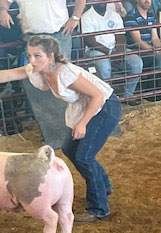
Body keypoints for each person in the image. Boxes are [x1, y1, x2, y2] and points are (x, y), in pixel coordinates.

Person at [0, 35, 121, 222]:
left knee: (84, 156)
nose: (32, 60)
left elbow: (97, 96)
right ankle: (103, 184)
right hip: (85, 107)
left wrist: (82, 124)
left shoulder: (66, 73)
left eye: (37, 56)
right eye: (30, 55)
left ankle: (99, 209)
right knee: (69, 149)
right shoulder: (37, 70)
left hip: (104, 107)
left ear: (51, 56)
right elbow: (8, 74)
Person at [81, 1, 143, 105]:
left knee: (136, 62)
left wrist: (119, 51)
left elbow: (121, 37)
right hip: (95, 50)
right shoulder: (86, 17)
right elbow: (90, 41)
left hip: (115, 49)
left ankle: (128, 94)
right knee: (104, 66)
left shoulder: (114, 15)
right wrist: (110, 53)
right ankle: (106, 98)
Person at [0, 0, 86, 60]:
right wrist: (3, 10)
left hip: (58, 34)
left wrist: (75, 17)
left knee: (60, 72)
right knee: (35, 75)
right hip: (31, 37)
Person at [124, 0, 161, 98]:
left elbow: (155, 37)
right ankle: (150, 90)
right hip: (135, 50)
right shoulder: (131, 16)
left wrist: (159, 48)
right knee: (158, 58)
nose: (147, 1)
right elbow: (137, 41)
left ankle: (151, 89)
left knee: (160, 56)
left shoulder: (151, 15)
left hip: (148, 50)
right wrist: (154, 50)